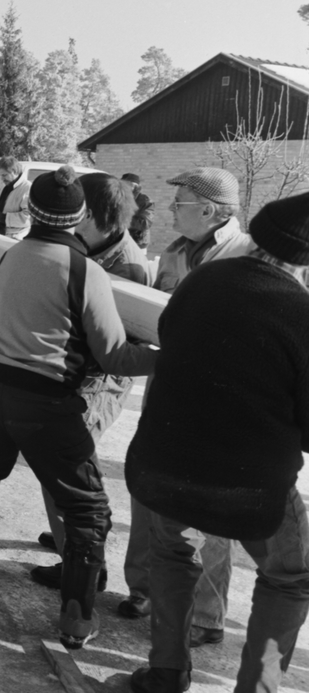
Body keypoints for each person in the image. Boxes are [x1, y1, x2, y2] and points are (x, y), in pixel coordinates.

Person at [0, 166, 158, 650]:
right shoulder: (86, 272)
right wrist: (172, 355)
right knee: (88, 510)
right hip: (46, 399)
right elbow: (115, 356)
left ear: (30, 210)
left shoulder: (11, 255)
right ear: (81, 215)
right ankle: (76, 618)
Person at [126, 192, 309, 693]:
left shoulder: (202, 281)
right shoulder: (302, 312)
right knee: (291, 574)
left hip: (165, 463)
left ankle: (164, 680)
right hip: (249, 484)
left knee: (173, 552)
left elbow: (172, 343)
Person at [120, 167, 252, 633]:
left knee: (208, 509)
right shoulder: (175, 252)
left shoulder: (250, 256)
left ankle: (205, 616)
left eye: (179, 203)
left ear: (210, 210)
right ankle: (144, 589)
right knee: (147, 489)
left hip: (218, 402)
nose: (170, 210)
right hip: (166, 390)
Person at [31, 173, 149, 588]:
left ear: (96, 217)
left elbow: (114, 345)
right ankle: (70, 537)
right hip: (74, 371)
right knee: (58, 466)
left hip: (100, 380)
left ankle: (85, 563)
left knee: (68, 467)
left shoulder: (127, 268)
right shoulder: (89, 245)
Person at [0, 156, 31, 238]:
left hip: (14, 237)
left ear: (14, 171)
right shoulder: (6, 187)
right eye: (0, 175)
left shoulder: (27, 188)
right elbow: (5, 206)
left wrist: (4, 218)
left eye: (4, 175)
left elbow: (28, 217)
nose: (2, 179)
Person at [121, 173, 154, 251]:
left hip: (138, 242)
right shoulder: (118, 198)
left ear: (136, 186)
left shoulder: (145, 201)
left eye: (130, 184)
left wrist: (120, 219)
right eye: (124, 184)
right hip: (120, 241)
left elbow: (145, 223)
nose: (128, 187)